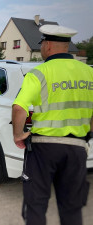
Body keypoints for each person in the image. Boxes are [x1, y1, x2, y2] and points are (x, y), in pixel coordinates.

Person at [12, 24, 93, 225]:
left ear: (47, 45)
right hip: (77, 149)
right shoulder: (89, 73)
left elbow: (19, 108)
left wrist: (18, 135)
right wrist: (88, 134)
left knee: (36, 206)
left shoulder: (39, 73)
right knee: (72, 208)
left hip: (43, 150)